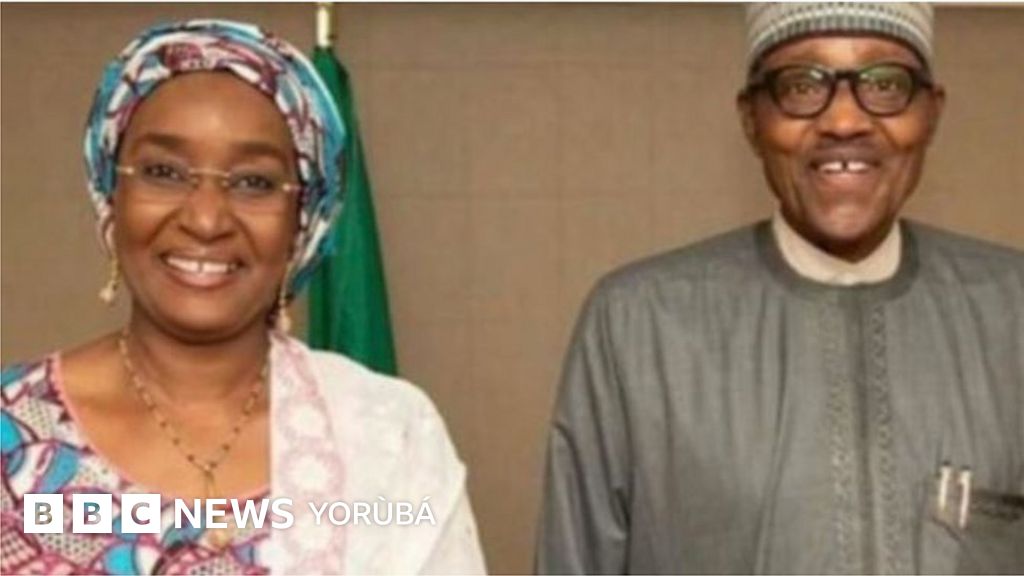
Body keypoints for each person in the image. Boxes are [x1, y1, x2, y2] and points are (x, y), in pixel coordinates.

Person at [536, 3, 1023, 574]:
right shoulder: (639, 325)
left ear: (931, 114)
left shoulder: (1011, 312)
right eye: (802, 85)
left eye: (885, 84)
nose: (845, 121)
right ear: (752, 119)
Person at [0, 20, 485, 575]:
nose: (206, 219)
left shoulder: (390, 435)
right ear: (113, 197)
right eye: (164, 172)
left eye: (254, 182)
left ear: (302, 222)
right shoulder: (12, 429)